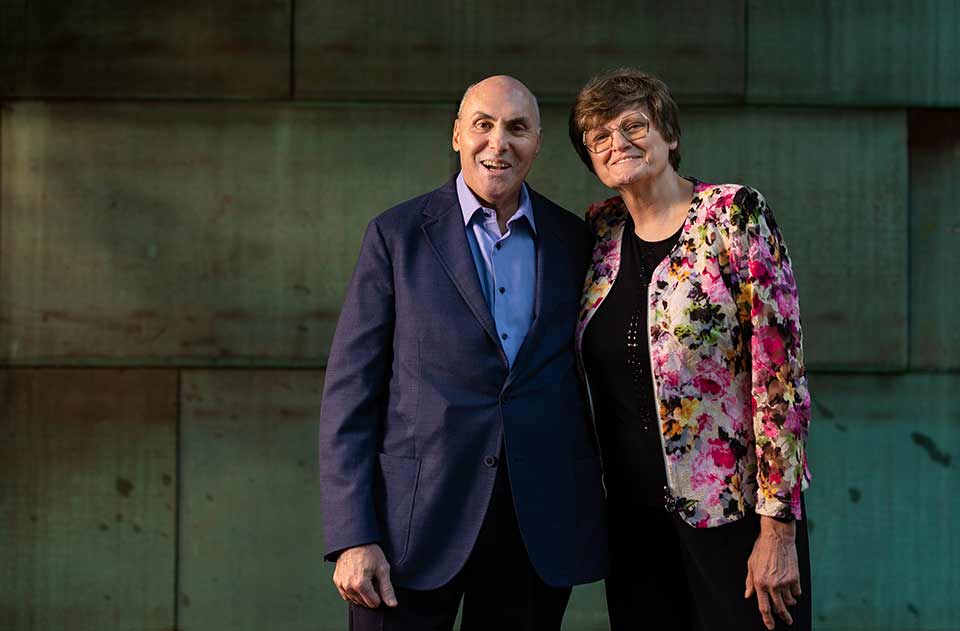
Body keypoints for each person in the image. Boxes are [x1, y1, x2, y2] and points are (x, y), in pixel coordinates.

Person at [318, 75, 608, 631]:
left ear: (537, 142)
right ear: (456, 135)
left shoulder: (574, 241)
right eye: (483, 125)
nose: (498, 142)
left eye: (517, 128)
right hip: (410, 532)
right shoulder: (396, 236)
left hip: (535, 532)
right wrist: (352, 535)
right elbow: (349, 397)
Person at [569, 68, 812, 631]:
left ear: (669, 134)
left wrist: (777, 527)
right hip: (632, 526)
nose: (617, 143)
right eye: (599, 137)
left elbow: (780, 377)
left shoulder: (733, 214)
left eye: (633, 125)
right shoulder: (599, 233)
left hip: (734, 516)